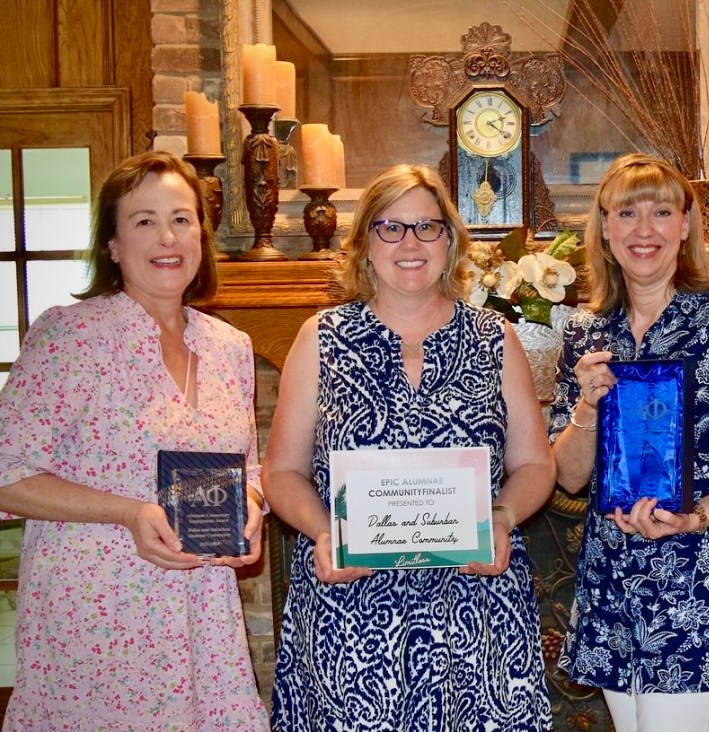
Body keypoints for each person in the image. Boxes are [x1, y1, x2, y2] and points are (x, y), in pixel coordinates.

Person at [264, 163, 554, 731]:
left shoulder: (495, 337)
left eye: (427, 227)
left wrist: (502, 515)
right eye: (390, 228)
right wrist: (325, 531)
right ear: (364, 243)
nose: (410, 243)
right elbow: (281, 472)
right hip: (351, 613)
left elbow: (535, 463)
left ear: (450, 240)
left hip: (477, 606)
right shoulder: (320, 337)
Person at [0, 151, 269, 729]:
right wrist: (129, 512)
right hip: (99, 620)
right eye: (143, 220)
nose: (167, 236)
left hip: (203, 621)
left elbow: (243, 470)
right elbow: (6, 473)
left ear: (201, 233)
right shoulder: (70, 336)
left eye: (181, 217)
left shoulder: (230, 347)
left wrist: (250, 506)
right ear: (113, 245)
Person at [549, 153, 709, 732]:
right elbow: (567, 476)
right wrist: (587, 404)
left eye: (662, 212)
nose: (644, 231)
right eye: (627, 213)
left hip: (697, 575)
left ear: (685, 226)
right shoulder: (588, 334)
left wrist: (697, 516)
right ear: (605, 228)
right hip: (613, 576)